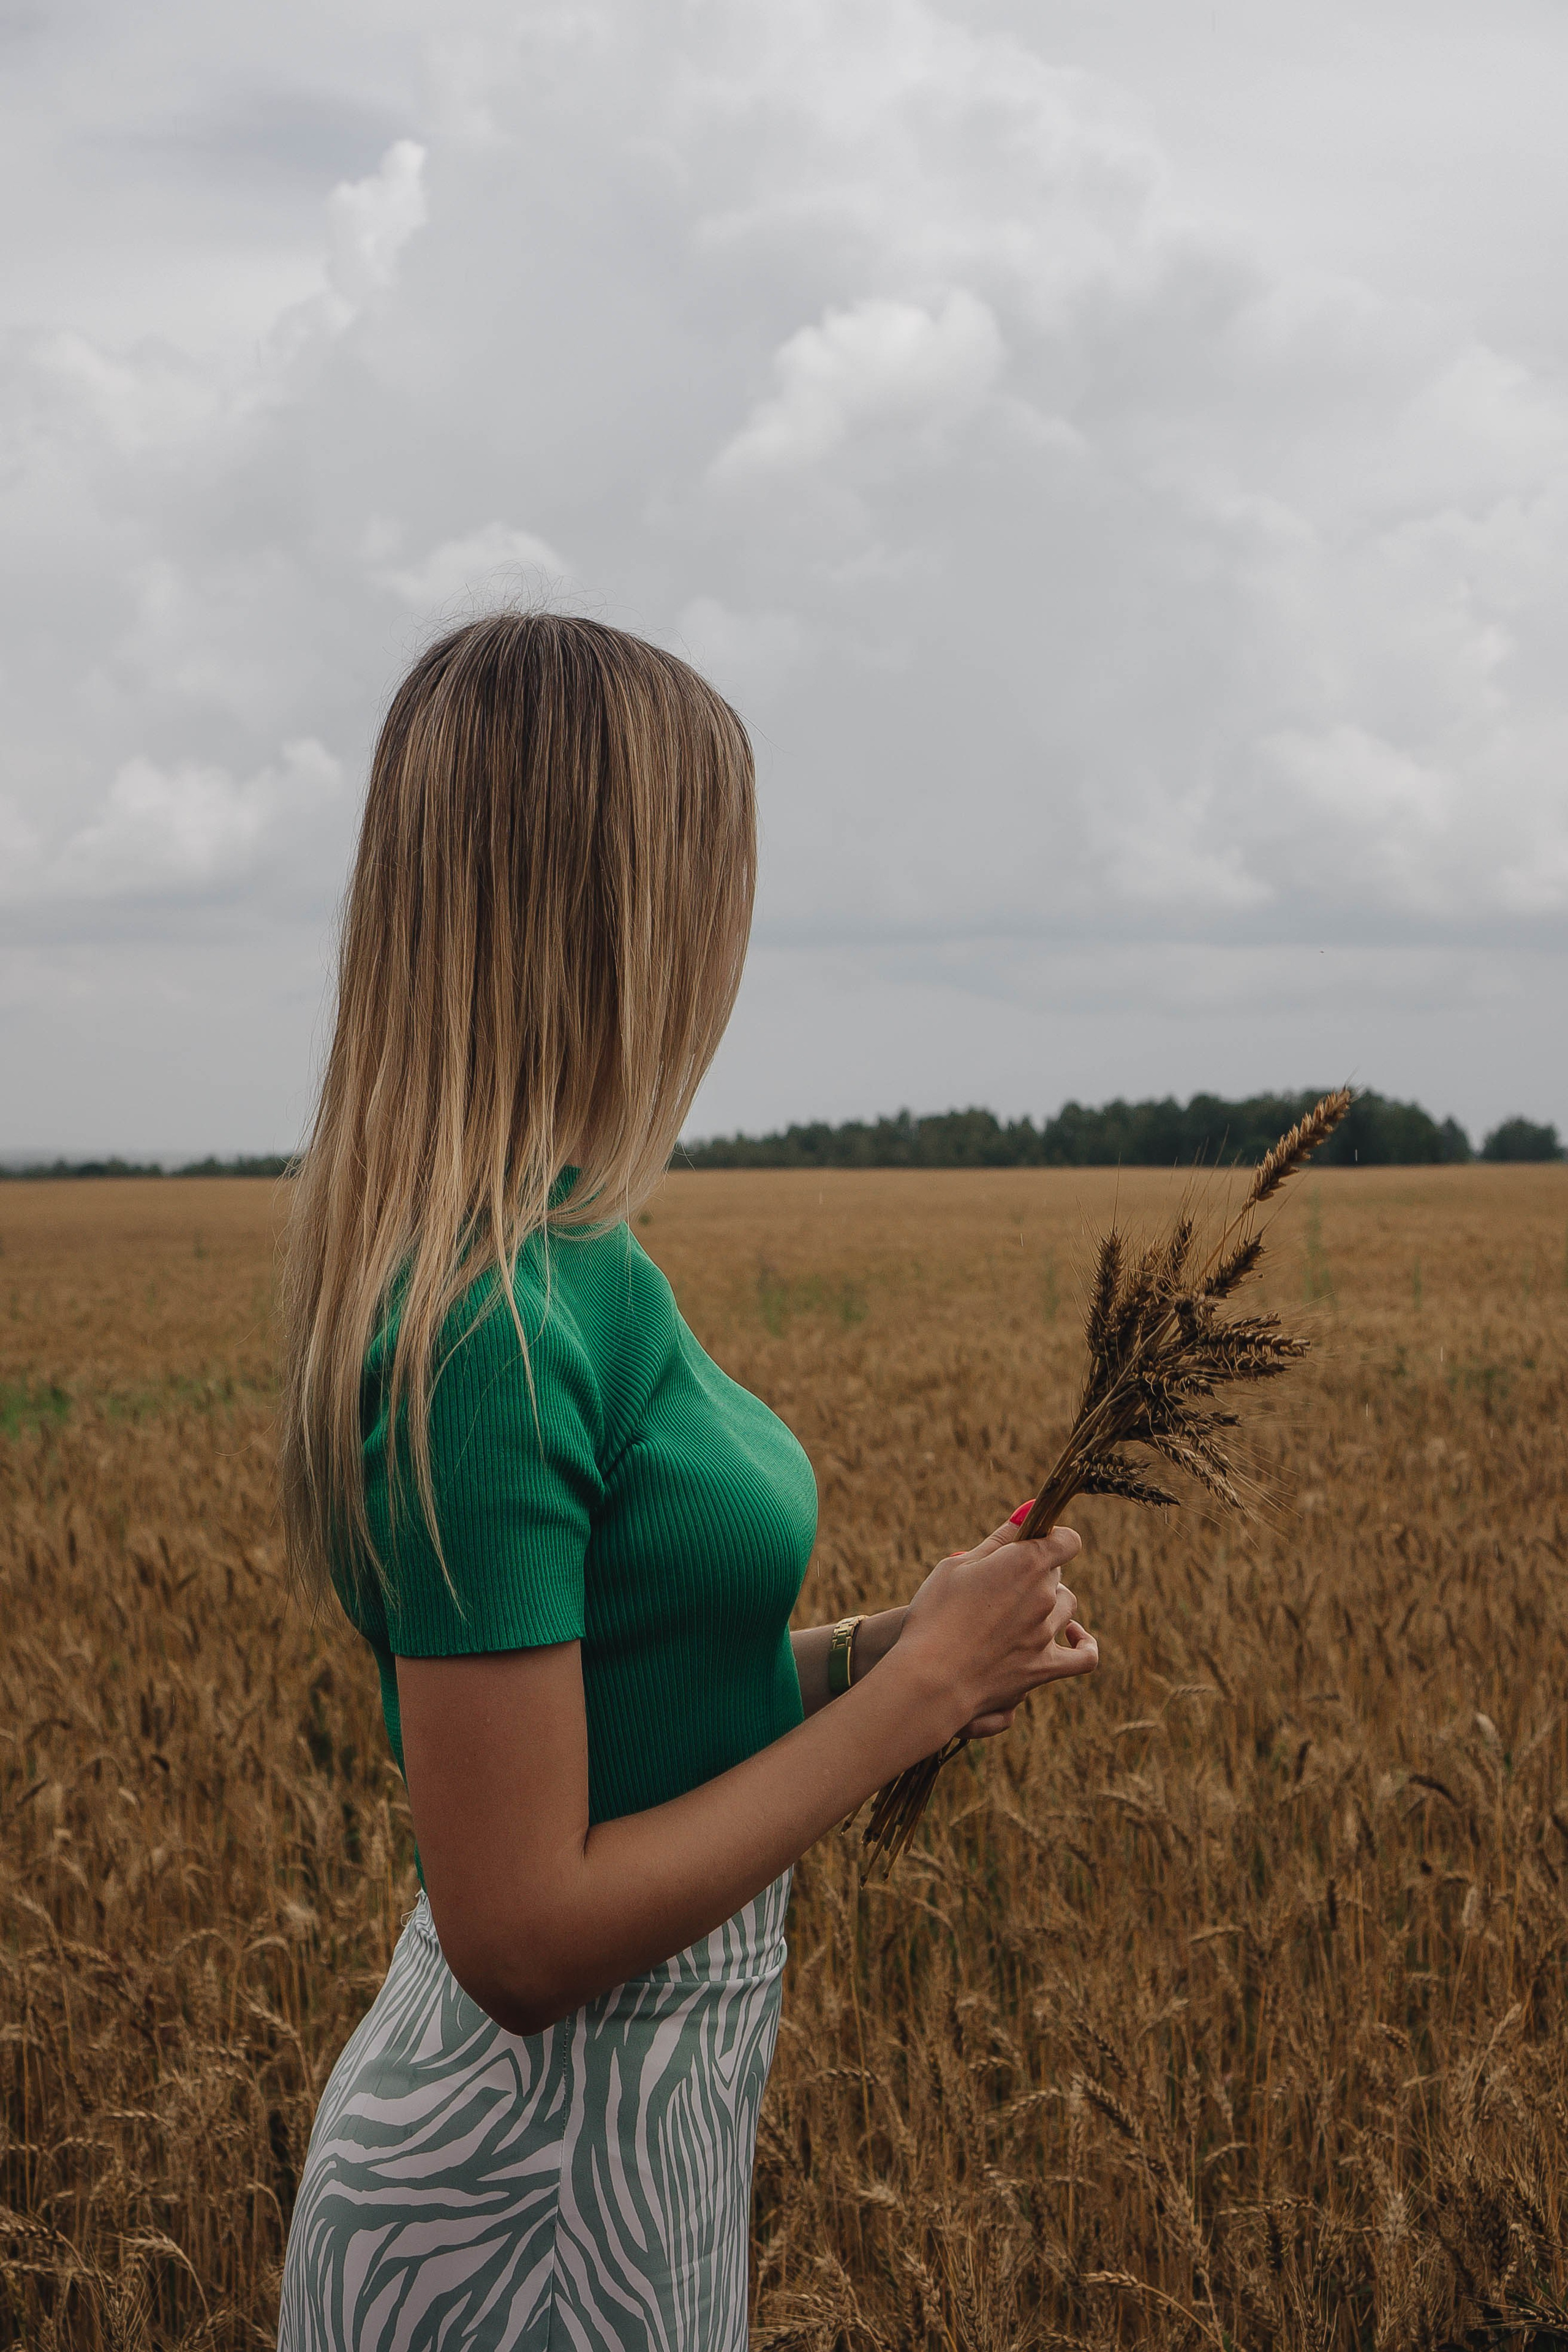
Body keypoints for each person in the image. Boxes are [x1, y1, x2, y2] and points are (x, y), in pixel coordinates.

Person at [273, 612, 1099, 2352]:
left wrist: (886, 1655)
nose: (731, 942)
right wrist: (911, 1706)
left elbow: (629, 1707)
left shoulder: (586, 1262)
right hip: (508, 2210)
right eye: (715, 879)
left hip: (641, 2155)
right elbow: (521, 1933)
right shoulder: (489, 1329)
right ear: (614, 912)